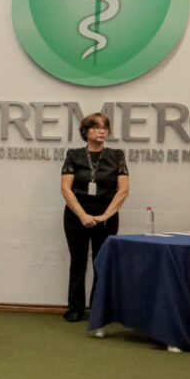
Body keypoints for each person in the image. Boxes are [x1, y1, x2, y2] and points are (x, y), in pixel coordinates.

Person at [60, 112, 129, 325]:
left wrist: (105, 215)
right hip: (76, 215)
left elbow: (123, 190)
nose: (102, 131)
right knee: (78, 262)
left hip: (106, 216)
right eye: (97, 127)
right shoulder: (74, 155)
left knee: (102, 262)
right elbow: (65, 189)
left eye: (105, 128)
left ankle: (99, 308)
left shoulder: (116, 155)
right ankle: (75, 308)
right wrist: (82, 215)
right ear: (86, 131)